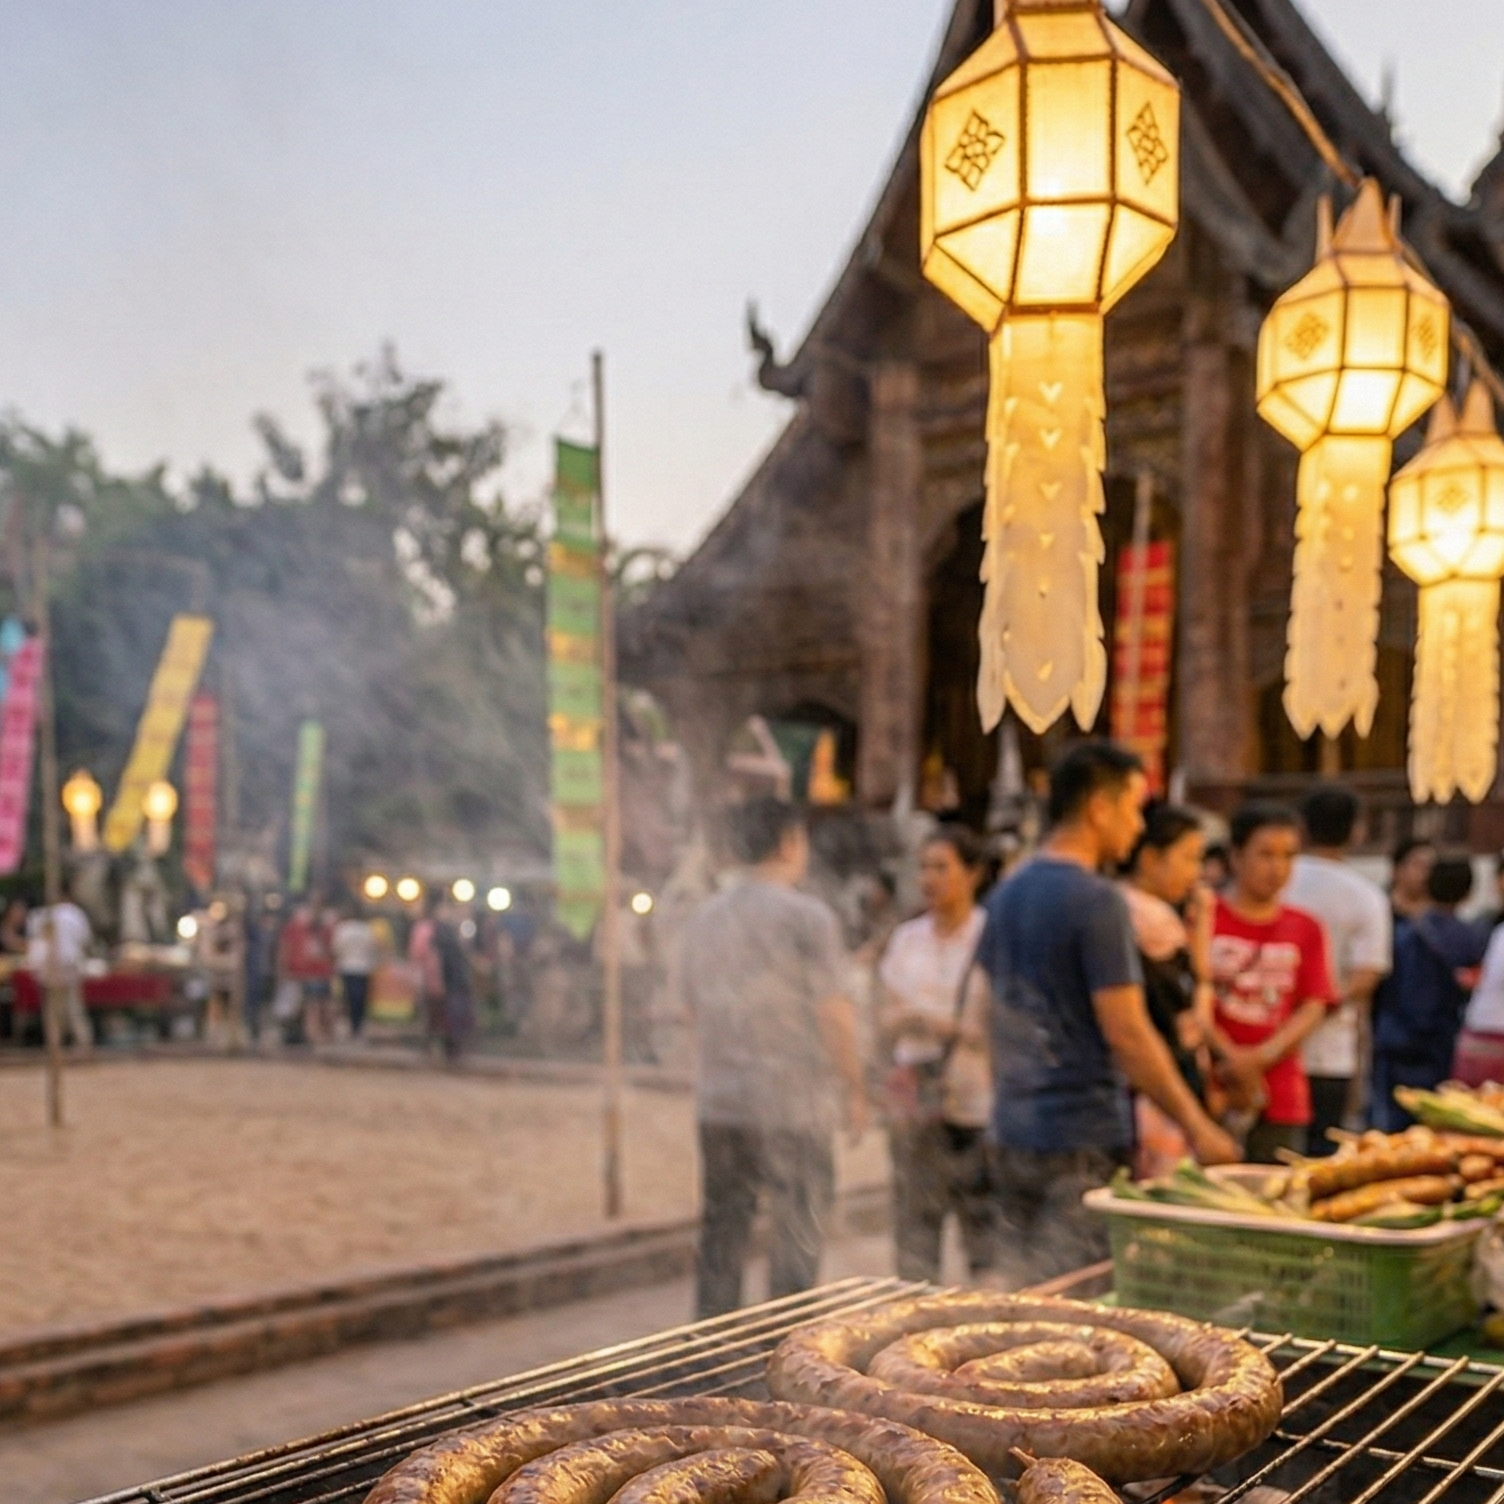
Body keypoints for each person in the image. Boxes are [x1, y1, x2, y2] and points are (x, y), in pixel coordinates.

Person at [975, 741, 1238, 1286]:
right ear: (1099, 807)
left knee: (1026, 1291)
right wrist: (1199, 1127)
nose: (1137, 825)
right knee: (1080, 1298)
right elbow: (1128, 1031)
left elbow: (988, 1011)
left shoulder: (1007, 891)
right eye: (1134, 807)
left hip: (1012, 1127)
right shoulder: (1097, 900)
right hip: (1080, 1135)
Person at [679, 796, 868, 1317]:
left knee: (722, 1231)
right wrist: (853, 1087)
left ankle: (709, 1351)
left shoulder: (703, 918)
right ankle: (785, 1344)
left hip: (720, 1106)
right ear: (789, 843)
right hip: (793, 1107)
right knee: (798, 1230)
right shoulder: (808, 916)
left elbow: (690, 1007)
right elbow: (834, 1014)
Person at [877, 824, 992, 1283]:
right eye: (923, 867)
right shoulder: (907, 939)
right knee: (915, 1238)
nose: (929, 878)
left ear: (973, 874)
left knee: (983, 1235)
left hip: (977, 1104)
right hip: (916, 1108)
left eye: (942, 867)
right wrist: (934, 1023)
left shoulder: (991, 938)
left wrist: (927, 1020)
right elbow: (885, 1018)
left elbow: (995, 1029)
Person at [1209, 803, 1338, 1163]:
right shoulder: (1205, 917)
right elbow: (1191, 1000)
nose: (1278, 868)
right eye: (1265, 854)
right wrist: (1231, 1057)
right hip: (1212, 1087)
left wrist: (1260, 1058)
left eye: (1288, 856)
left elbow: (1314, 1004)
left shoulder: (1306, 927)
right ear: (1235, 856)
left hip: (1280, 1094)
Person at [1284, 786, 1391, 1156]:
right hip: (1329, 1049)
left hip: (1263, 1034)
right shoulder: (1365, 895)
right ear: (1357, 830)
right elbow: (1365, 977)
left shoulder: (1279, 878)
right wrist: (1320, 1006)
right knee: (1318, 1161)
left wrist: (1297, 1010)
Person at [1120, 803, 1214, 1172]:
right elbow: (1188, 1013)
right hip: (1158, 1090)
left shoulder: (1132, 908)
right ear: (1149, 858)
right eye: (1188, 858)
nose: (1195, 873)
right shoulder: (1148, 916)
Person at [1371, 857, 1487, 1129]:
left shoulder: (1403, 932)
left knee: (1390, 1128)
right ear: (1469, 893)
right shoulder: (1473, 939)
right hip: (1442, 1044)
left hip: (1395, 1039)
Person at [26, 887, 94, 1049]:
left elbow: (33, 943)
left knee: (53, 1008)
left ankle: (56, 1045)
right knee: (72, 1006)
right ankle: (81, 1043)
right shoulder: (72, 913)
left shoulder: (37, 915)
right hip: (66, 963)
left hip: (48, 966)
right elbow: (85, 939)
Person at [275, 896, 334, 1044]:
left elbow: (330, 951)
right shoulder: (295, 928)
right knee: (302, 1007)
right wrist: (283, 969)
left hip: (318, 973)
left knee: (317, 1005)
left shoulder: (325, 929)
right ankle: (307, 1034)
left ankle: (314, 1034)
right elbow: (285, 948)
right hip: (298, 972)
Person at [332, 904, 379, 1037]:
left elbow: (336, 948)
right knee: (360, 1000)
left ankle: (348, 1025)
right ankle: (357, 1026)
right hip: (363, 968)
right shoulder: (367, 930)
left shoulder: (343, 929)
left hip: (347, 967)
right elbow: (373, 948)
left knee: (347, 998)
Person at [1390, 838, 1437, 920]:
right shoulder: (1379, 910)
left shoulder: (1440, 916)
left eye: (1430, 867)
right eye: (1418, 865)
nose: (1426, 872)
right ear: (1397, 870)